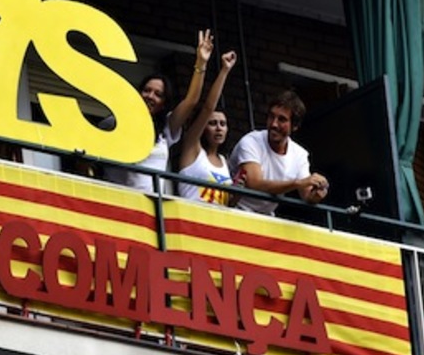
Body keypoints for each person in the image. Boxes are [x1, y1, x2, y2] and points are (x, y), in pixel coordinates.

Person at [102, 29, 214, 193]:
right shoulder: (115, 121)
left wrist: (201, 62)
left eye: (158, 94)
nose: (150, 96)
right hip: (117, 199)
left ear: (163, 103)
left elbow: (191, 101)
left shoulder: (165, 128)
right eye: (147, 91)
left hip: (150, 203)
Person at [228, 90, 329, 215]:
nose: (274, 124)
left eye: (282, 119)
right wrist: (297, 183)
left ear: (295, 126)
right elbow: (254, 183)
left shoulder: (299, 155)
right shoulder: (251, 141)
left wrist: (317, 193)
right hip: (236, 212)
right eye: (271, 116)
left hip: (267, 217)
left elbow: (307, 195)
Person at [178, 50, 237, 205]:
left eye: (223, 124)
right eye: (212, 123)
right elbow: (208, 108)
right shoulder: (192, 148)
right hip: (191, 217)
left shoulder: (224, 161)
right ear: (203, 127)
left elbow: (227, 203)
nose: (219, 128)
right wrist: (224, 71)